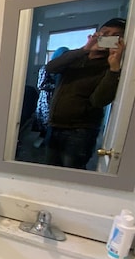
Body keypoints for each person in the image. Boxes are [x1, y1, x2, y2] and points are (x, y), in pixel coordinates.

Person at [45, 18, 126, 169]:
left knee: (73, 175)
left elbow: (99, 101)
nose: (108, 38)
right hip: (54, 125)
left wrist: (114, 68)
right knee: (50, 171)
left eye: (116, 35)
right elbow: (50, 68)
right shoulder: (76, 57)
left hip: (80, 131)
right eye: (105, 33)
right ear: (97, 35)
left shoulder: (110, 66)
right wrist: (85, 49)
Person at [33, 46, 69, 148]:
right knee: (46, 122)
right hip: (47, 100)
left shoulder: (63, 69)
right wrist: (57, 87)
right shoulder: (46, 68)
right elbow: (41, 85)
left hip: (58, 99)